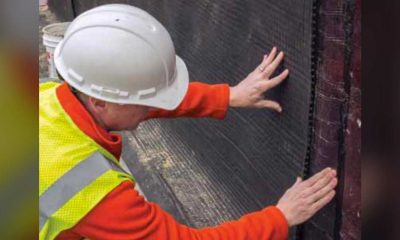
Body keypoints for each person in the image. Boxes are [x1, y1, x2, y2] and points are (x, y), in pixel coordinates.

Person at [39, 4, 337, 240]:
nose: (153, 108)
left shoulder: (48, 97)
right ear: (99, 100)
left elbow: (132, 104)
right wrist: (280, 217)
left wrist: (227, 96)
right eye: (147, 101)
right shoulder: (91, 191)